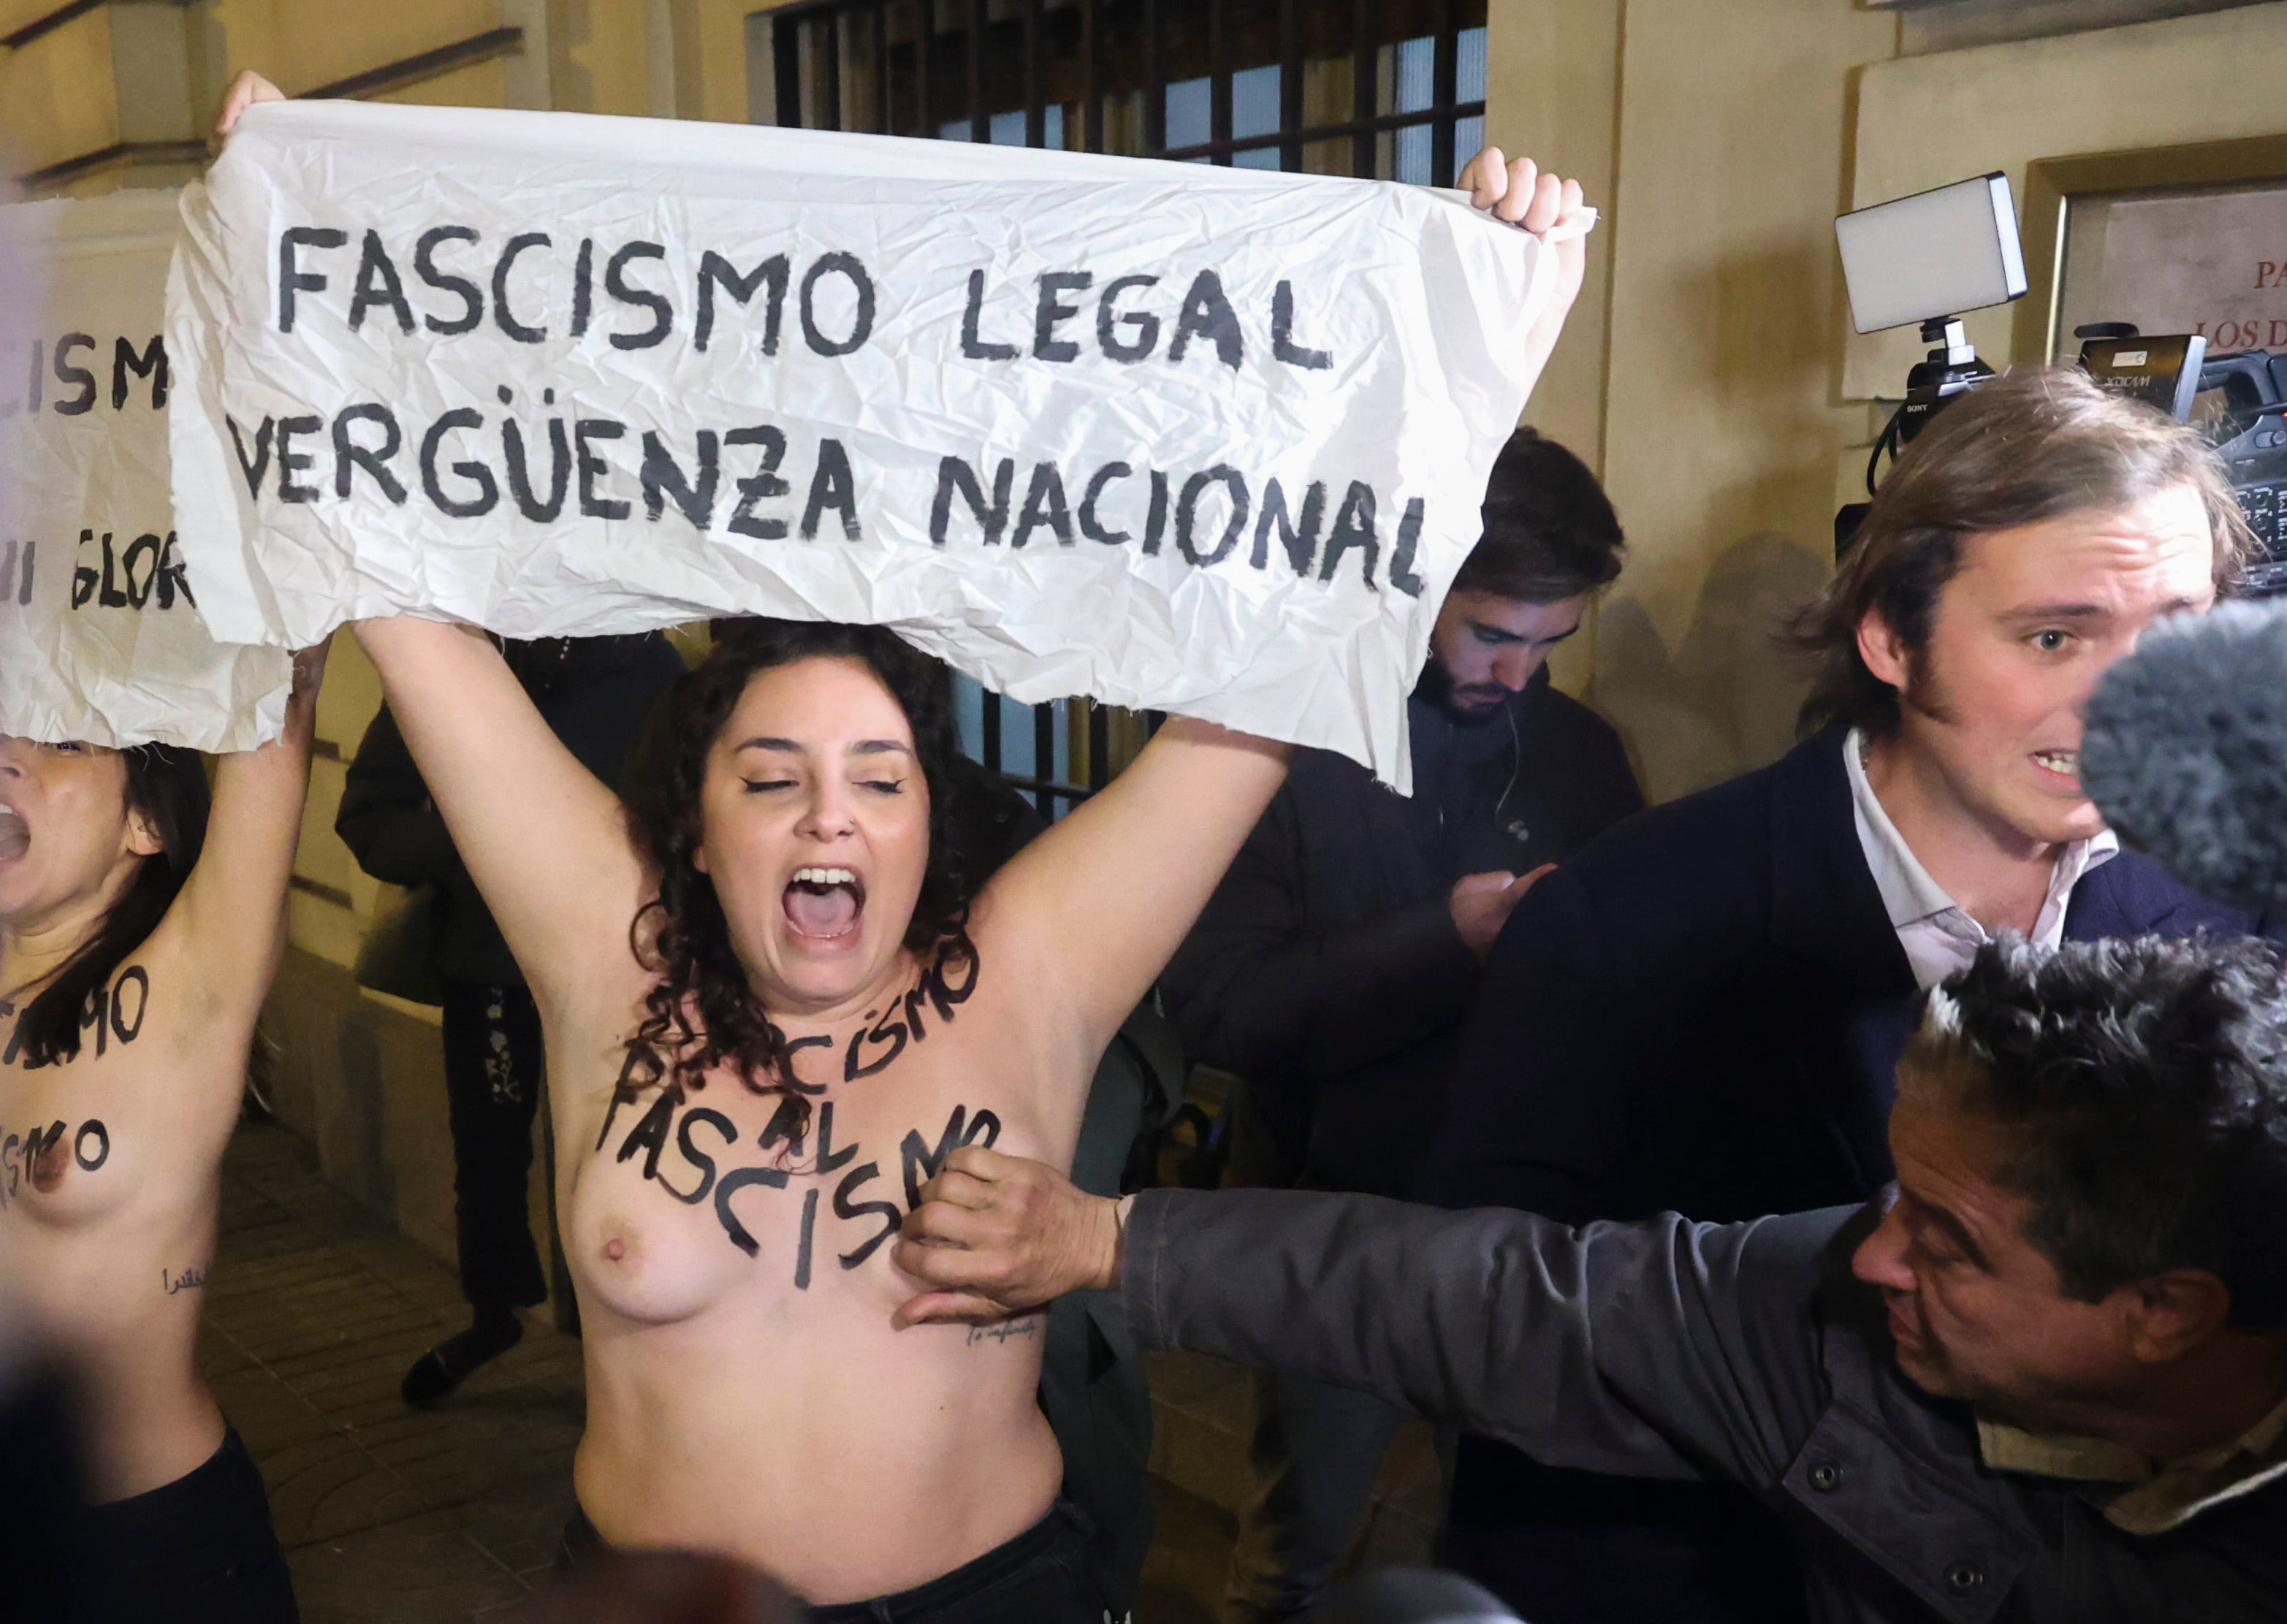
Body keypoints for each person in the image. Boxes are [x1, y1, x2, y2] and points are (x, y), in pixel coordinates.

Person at [217, 68, 1592, 1616]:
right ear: (698, 825)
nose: (828, 812)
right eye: (773, 775)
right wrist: (296, 230)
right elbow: (396, 581)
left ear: (928, 819)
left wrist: (1472, 318)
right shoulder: (613, 954)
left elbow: (1282, 653)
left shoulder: (1028, 970)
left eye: (879, 776)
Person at [1406, 365, 2287, 1624]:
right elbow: (1485, 1330)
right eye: (2052, 635)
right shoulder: (1620, 921)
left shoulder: (2218, 880)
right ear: (1887, 633)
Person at [894, 933, 2287, 1623]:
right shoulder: (1843, 1306)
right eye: (1896, 1193)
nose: (1873, 1249)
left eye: (1950, 1241)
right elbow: (1502, 1297)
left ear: (2160, 1309)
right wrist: (1105, 1238)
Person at [1160, 425, 1641, 1620]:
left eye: (1549, 644)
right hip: (1330, 1224)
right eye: (1490, 633)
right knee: (1293, 1550)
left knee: (1501, 1546)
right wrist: (1447, 938)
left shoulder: (1578, 755)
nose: (1518, 675)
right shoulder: (1279, 740)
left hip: (1524, 1233)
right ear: (1415, 584)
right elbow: (1217, 1008)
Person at [0, 646, 324, 1622]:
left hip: (145, 1551)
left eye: (58, 737)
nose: (8, 753)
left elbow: (283, 703)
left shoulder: (189, 985)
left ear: (145, 818)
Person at [339, 632, 685, 1405]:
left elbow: (699, 809)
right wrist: (477, 839)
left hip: (624, 981)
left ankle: (621, 1347)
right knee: (490, 1157)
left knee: (616, 1159)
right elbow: (368, 815)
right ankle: (493, 1314)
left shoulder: (651, 667)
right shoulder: (469, 660)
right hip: (490, 966)